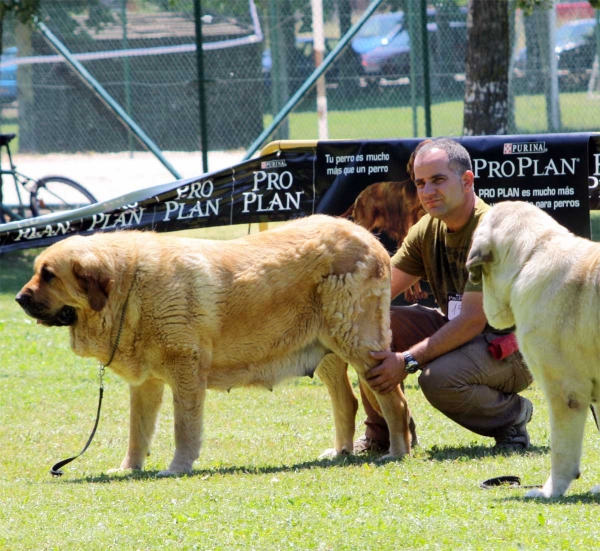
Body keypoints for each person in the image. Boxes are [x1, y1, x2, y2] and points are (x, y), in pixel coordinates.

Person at [354, 137, 534, 454]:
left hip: (514, 347)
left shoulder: (492, 233)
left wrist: (406, 361)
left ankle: (513, 418)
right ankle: (384, 434)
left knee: (437, 380)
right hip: (462, 331)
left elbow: (471, 321)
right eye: (420, 183)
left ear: (467, 181)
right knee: (366, 329)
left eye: (438, 180)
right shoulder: (427, 229)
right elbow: (379, 292)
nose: (427, 192)